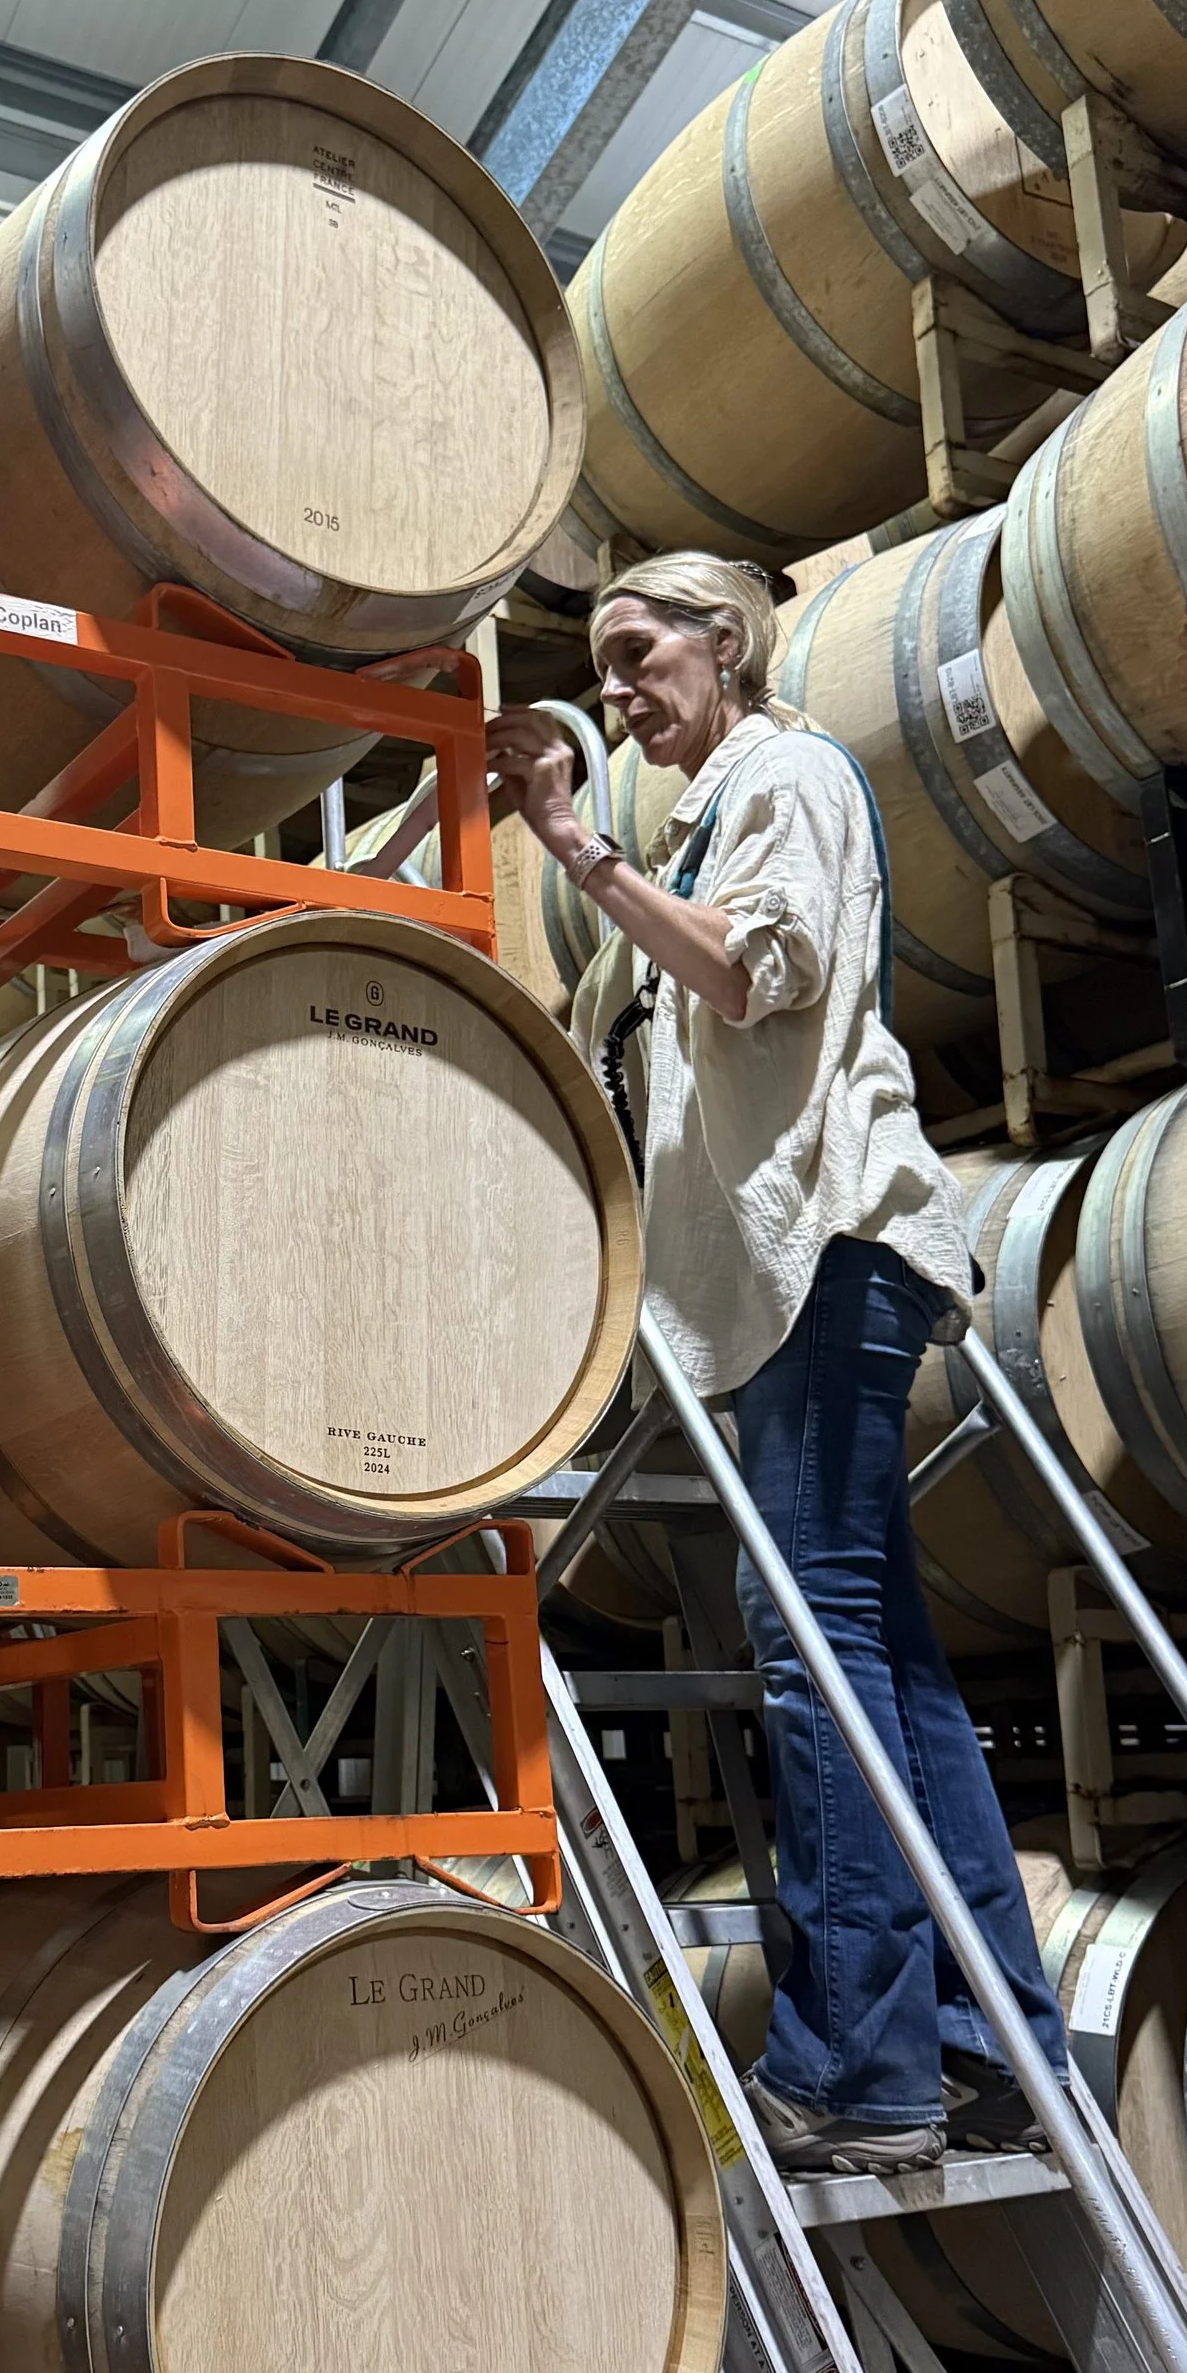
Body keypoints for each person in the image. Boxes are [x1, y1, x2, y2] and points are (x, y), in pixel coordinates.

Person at [487, 550, 1068, 2176]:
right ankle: (992, 2045)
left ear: (723, 645)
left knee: (813, 1654)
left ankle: (857, 2070)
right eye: (601, 663)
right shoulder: (710, 810)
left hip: (824, 1257)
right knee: (888, 1664)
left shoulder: (787, 773)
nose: (615, 688)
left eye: (634, 650)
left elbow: (754, 973)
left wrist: (571, 843)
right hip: (794, 1278)